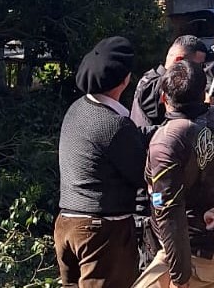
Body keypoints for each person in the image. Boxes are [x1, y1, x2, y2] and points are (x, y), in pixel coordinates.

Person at [134, 60, 214, 288]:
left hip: (192, 256)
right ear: (204, 93)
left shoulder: (167, 141)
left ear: (164, 97)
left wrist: (179, 276)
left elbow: (168, 211)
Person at [55, 36, 147, 288]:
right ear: (125, 79)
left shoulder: (76, 109)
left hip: (66, 225)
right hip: (101, 230)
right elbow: (143, 174)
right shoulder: (115, 125)